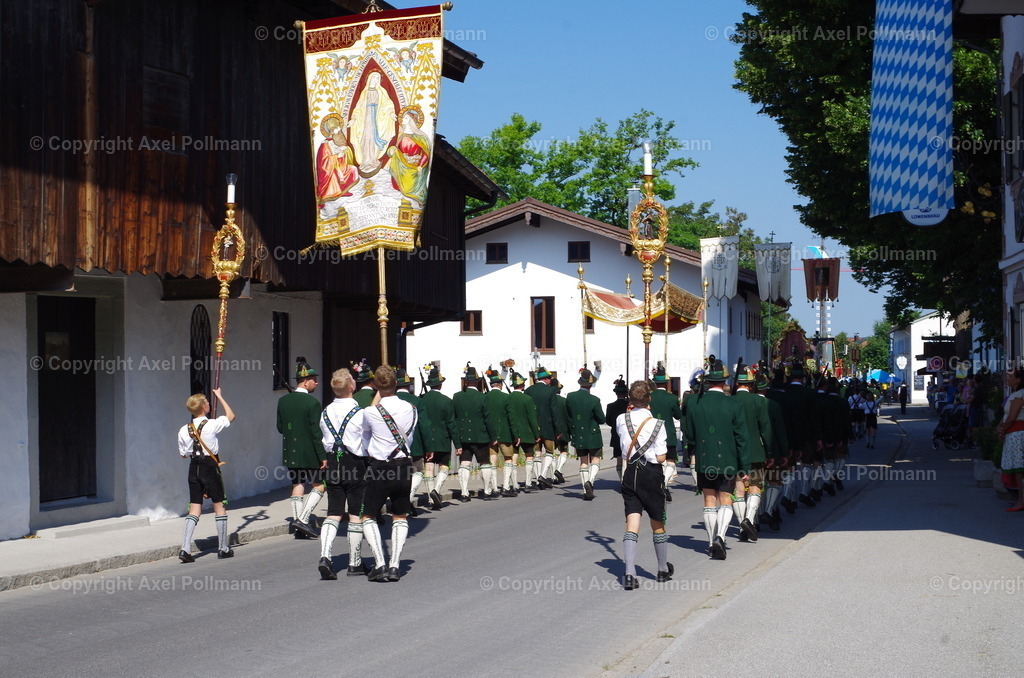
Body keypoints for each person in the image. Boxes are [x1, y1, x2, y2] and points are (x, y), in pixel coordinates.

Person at [685, 360, 748, 560]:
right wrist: (744, 466)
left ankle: (712, 541)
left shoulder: (694, 403)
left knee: (709, 500)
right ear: (724, 381)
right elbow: (741, 438)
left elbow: (689, 433)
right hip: (728, 458)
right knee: (726, 500)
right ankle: (720, 536)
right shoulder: (734, 404)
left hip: (705, 458)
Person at [359, 365, 417, 582]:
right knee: (400, 516)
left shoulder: (370, 412)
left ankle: (380, 563)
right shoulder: (412, 409)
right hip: (404, 466)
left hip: (380, 467)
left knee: (368, 515)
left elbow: (364, 439)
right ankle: (395, 566)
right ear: (397, 384)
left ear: (375, 386)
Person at [615, 380, 671, 589]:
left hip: (630, 472)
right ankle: (662, 569)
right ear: (649, 399)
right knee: (657, 521)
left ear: (630, 399)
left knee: (632, 522)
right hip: (651, 474)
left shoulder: (622, 419)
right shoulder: (658, 424)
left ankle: (629, 573)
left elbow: (623, 447)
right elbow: (661, 456)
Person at [316, 368, 368, 580]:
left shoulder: (325, 412)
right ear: (351, 387)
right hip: (355, 463)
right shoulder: (360, 412)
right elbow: (366, 441)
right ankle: (354, 563)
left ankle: (325, 556)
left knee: (334, 512)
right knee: (355, 514)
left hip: (333, 464)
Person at [177, 388, 235, 562]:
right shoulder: (211, 424)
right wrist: (220, 396)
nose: (209, 403)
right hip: (210, 466)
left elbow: (183, 454)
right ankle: (223, 547)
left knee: (194, 507)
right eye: (207, 402)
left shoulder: (183, 429)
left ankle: (185, 549)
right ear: (203, 407)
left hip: (193, 466)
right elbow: (231, 416)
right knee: (219, 505)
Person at [278, 357, 327, 539]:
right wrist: (322, 455)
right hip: (309, 453)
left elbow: (280, 427)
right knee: (320, 485)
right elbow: (316, 433)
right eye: (314, 380)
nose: (317, 382)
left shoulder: (283, 401)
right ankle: (303, 520)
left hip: (290, 451)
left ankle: (299, 525)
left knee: (297, 484)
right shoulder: (312, 403)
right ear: (305, 382)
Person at [730, 365, 770, 542]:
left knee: (739, 491)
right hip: (755, 451)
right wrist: (769, 450)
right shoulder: (759, 401)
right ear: (751, 384)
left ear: (737, 382)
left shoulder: (728, 400)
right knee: (755, 487)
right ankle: (749, 520)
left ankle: (742, 526)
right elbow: (765, 428)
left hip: (734, 452)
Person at [452, 363, 496, 502]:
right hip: (480, 436)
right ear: (477, 382)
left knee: (464, 464)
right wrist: (493, 436)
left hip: (463, 436)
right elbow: (488, 419)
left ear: (465, 382)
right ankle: (487, 491)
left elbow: (454, 418)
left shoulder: (456, 396)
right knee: (484, 463)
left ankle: (464, 493)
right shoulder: (483, 397)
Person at [420, 363, 460, 509]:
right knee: (444, 467)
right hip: (443, 439)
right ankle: (436, 490)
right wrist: (458, 444)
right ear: (440, 385)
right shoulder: (447, 401)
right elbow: (452, 424)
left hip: (426, 439)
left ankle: (431, 496)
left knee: (428, 468)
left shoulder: (421, 400)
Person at [395, 367, 432, 515]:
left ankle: (400, 501)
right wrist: (428, 447)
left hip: (393, 447)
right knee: (417, 472)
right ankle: (408, 499)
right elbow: (424, 426)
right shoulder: (417, 401)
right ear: (408, 385)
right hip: (414, 445)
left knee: (398, 476)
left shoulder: (388, 401)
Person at [566, 367, 605, 501]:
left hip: (578, 434)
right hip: (593, 435)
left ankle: (584, 489)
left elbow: (569, 416)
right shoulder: (594, 400)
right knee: (595, 459)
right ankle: (591, 481)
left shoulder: (570, 397)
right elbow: (601, 419)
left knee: (583, 462)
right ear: (590, 384)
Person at [649, 363, 683, 502]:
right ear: (666, 382)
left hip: (651, 434)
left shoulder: (649, 397)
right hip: (668, 433)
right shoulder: (672, 398)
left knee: (654, 462)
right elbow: (678, 416)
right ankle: (664, 482)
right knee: (670, 461)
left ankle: (657, 485)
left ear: (655, 383)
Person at [525, 366, 560, 490]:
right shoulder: (551, 391)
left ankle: (539, 479)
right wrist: (558, 430)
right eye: (549, 378)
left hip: (533, 427)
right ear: (546, 379)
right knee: (550, 452)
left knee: (537, 453)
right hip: (548, 426)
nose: (550, 380)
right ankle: (543, 475)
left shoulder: (528, 390)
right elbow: (554, 412)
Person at [506, 370, 540, 495]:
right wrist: (537, 435)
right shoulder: (527, 399)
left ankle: (514, 485)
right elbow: (532, 419)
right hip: (527, 433)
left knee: (513, 458)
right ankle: (528, 483)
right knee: (529, 457)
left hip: (513, 434)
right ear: (522, 385)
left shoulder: (508, 398)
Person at [483, 366, 514, 500]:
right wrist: (516, 434)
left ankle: (494, 488)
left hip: (489, 434)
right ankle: (506, 487)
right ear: (500, 384)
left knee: (492, 460)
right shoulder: (506, 397)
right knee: (508, 459)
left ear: (491, 384)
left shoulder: (484, 397)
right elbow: (511, 417)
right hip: (505, 433)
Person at [997, 367, 1024, 512]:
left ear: (1019, 379)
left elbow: (1012, 417)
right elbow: (1007, 416)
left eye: (1011, 376)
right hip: (1014, 433)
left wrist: (1002, 429)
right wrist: (1000, 426)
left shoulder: (1019, 395)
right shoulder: (1015, 394)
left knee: (1019, 469)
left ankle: (1021, 500)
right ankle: (1019, 499)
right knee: (1018, 468)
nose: (1008, 378)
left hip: (1018, 434)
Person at [605, 376, 630, 480]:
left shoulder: (610, 406)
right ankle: (627, 478)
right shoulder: (629, 405)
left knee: (619, 458)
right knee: (628, 457)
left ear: (616, 393)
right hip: (628, 434)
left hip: (616, 434)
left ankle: (621, 479)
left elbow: (608, 421)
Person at [551, 378, 571, 484]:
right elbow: (568, 417)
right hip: (563, 430)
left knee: (552, 453)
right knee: (563, 451)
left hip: (551, 430)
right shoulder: (564, 401)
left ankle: (553, 476)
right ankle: (558, 470)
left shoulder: (549, 401)